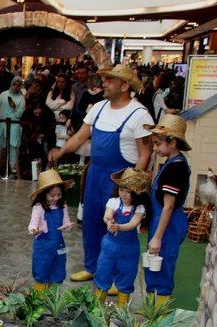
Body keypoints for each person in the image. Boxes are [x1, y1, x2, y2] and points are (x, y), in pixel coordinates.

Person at [49, 64, 153, 283]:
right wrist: (61, 152)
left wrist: (131, 186)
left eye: (109, 80)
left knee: (118, 226)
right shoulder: (98, 108)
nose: (103, 83)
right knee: (92, 221)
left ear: (124, 86)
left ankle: (116, 277)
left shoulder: (139, 114)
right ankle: (92, 267)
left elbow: (145, 154)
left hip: (121, 178)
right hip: (95, 173)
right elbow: (80, 137)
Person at [144, 114, 191, 305]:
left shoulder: (176, 168)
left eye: (158, 143)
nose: (155, 148)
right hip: (160, 220)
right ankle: (152, 311)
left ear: (173, 143)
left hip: (167, 223)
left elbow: (169, 206)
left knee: (161, 267)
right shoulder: (170, 163)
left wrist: (157, 237)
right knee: (153, 266)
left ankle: (157, 316)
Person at [94, 168, 150, 307]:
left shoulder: (139, 208)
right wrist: (109, 222)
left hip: (129, 249)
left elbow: (133, 224)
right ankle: (97, 305)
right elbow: (107, 216)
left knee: (127, 275)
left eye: (128, 191)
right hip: (109, 246)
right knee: (103, 271)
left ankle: (122, 308)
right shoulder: (113, 201)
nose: (124, 194)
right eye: (121, 190)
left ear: (136, 193)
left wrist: (118, 227)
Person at [28, 169, 74, 291]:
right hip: (43, 247)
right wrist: (35, 230)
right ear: (44, 194)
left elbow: (67, 223)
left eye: (59, 195)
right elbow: (32, 224)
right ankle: (39, 298)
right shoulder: (39, 208)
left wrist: (67, 226)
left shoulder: (62, 205)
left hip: (59, 246)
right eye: (52, 195)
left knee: (58, 270)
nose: (56, 198)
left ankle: (53, 299)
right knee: (41, 270)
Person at [0, 76, 25, 176]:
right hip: (0, 123)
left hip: (14, 125)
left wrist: (14, 107)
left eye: (18, 85)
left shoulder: (21, 98)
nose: (15, 87)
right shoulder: (3, 94)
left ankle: (12, 167)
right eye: (14, 85)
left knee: (13, 146)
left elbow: (20, 114)